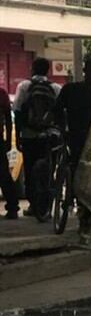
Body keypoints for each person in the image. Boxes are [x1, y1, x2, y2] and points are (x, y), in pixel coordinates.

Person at [54, 57, 91, 231]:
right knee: (77, 170)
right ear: (85, 71)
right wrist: (63, 129)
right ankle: (81, 210)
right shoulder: (73, 90)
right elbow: (57, 110)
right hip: (76, 137)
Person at [12, 57, 61, 220]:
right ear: (48, 70)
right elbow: (60, 113)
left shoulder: (24, 86)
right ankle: (47, 206)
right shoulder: (55, 88)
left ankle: (34, 206)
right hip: (50, 137)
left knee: (30, 170)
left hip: (29, 135)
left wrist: (19, 134)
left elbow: (17, 111)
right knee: (49, 170)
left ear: (32, 69)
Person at [0, 86, 17, 219]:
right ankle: (12, 207)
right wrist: (8, 140)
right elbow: (9, 119)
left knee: (4, 174)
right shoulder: (2, 94)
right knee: (4, 174)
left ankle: (12, 206)